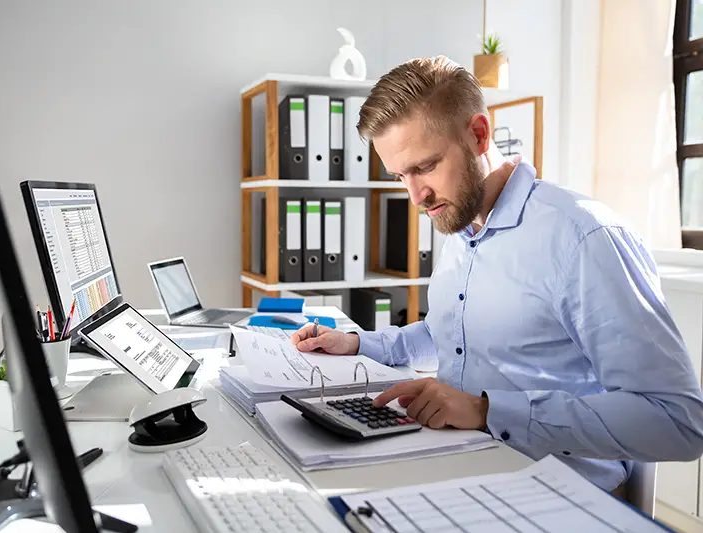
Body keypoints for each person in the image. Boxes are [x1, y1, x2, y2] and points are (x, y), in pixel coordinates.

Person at [291, 55, 703, 494]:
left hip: (554, 491)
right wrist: (357, 343)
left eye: (425, 166)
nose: (415, 196)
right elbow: (447, 333)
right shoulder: (461, 224)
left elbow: (677, 420)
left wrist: (488, 412)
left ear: (479, 135)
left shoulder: (584, 238)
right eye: (400, 176)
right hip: (459, 461)